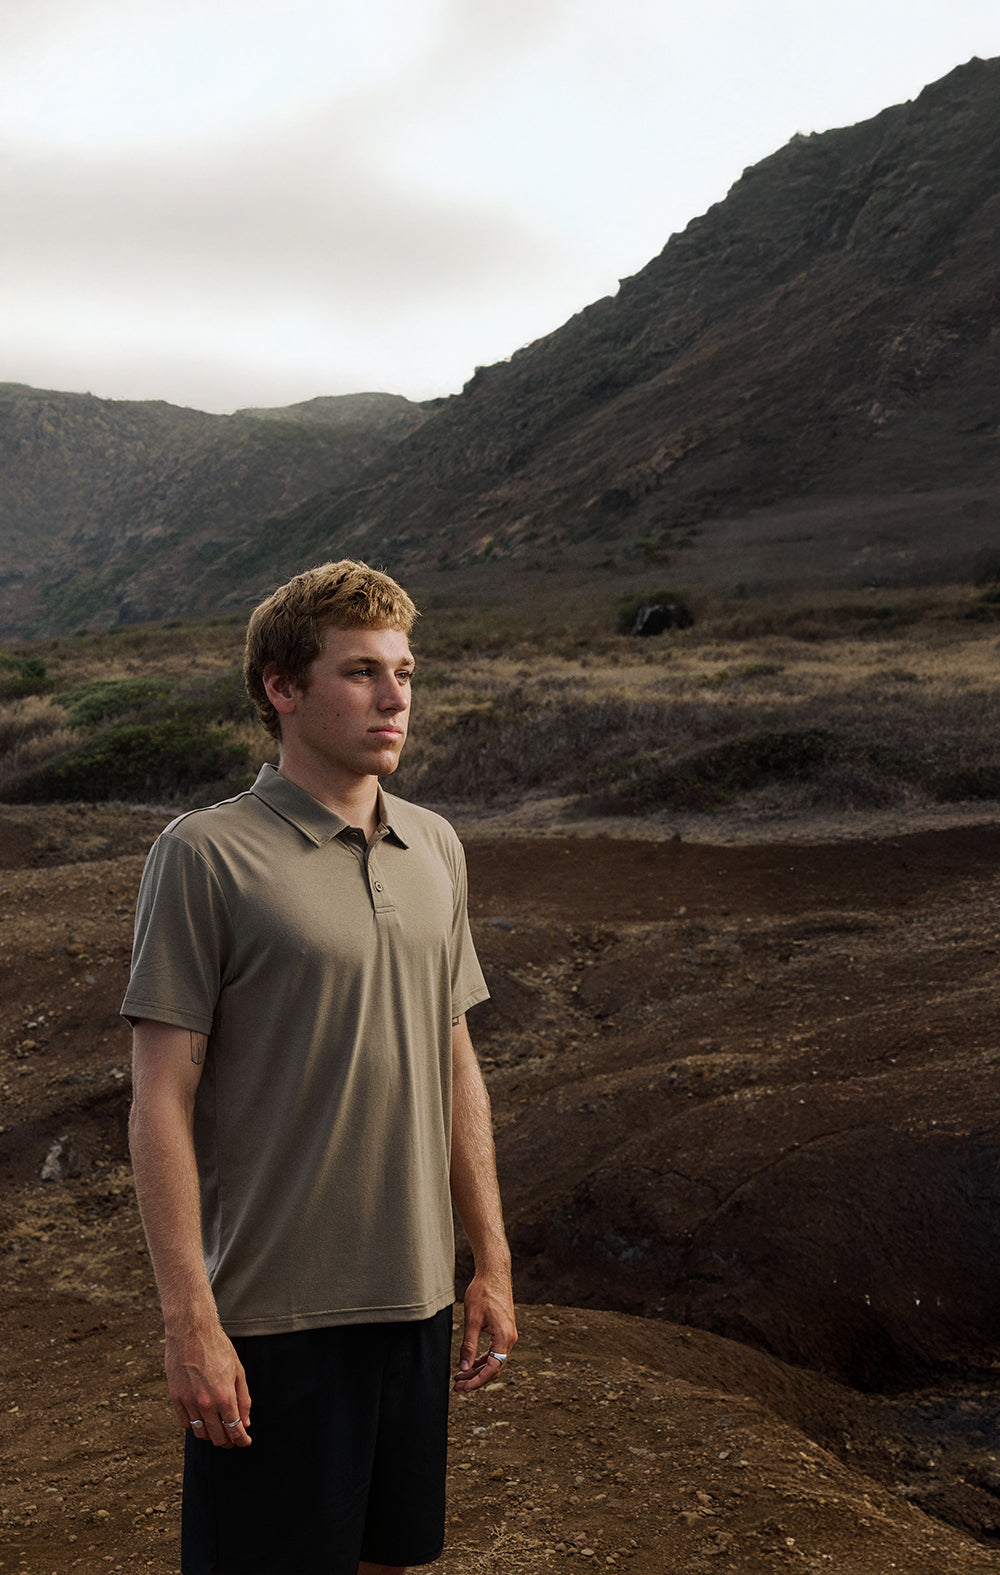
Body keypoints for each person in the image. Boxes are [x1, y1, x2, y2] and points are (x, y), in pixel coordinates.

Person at [123, 559, 517, 1575]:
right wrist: (189, 1323)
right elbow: (160, 1099)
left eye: (405, 670)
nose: (395, 698)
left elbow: (452, 1055)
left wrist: (491, 1261)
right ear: (281, 689)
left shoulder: (434, 844)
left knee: (391, 1561)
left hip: (417, 1300)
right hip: (275, 1313)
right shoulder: (205, 854)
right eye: (361, 672)